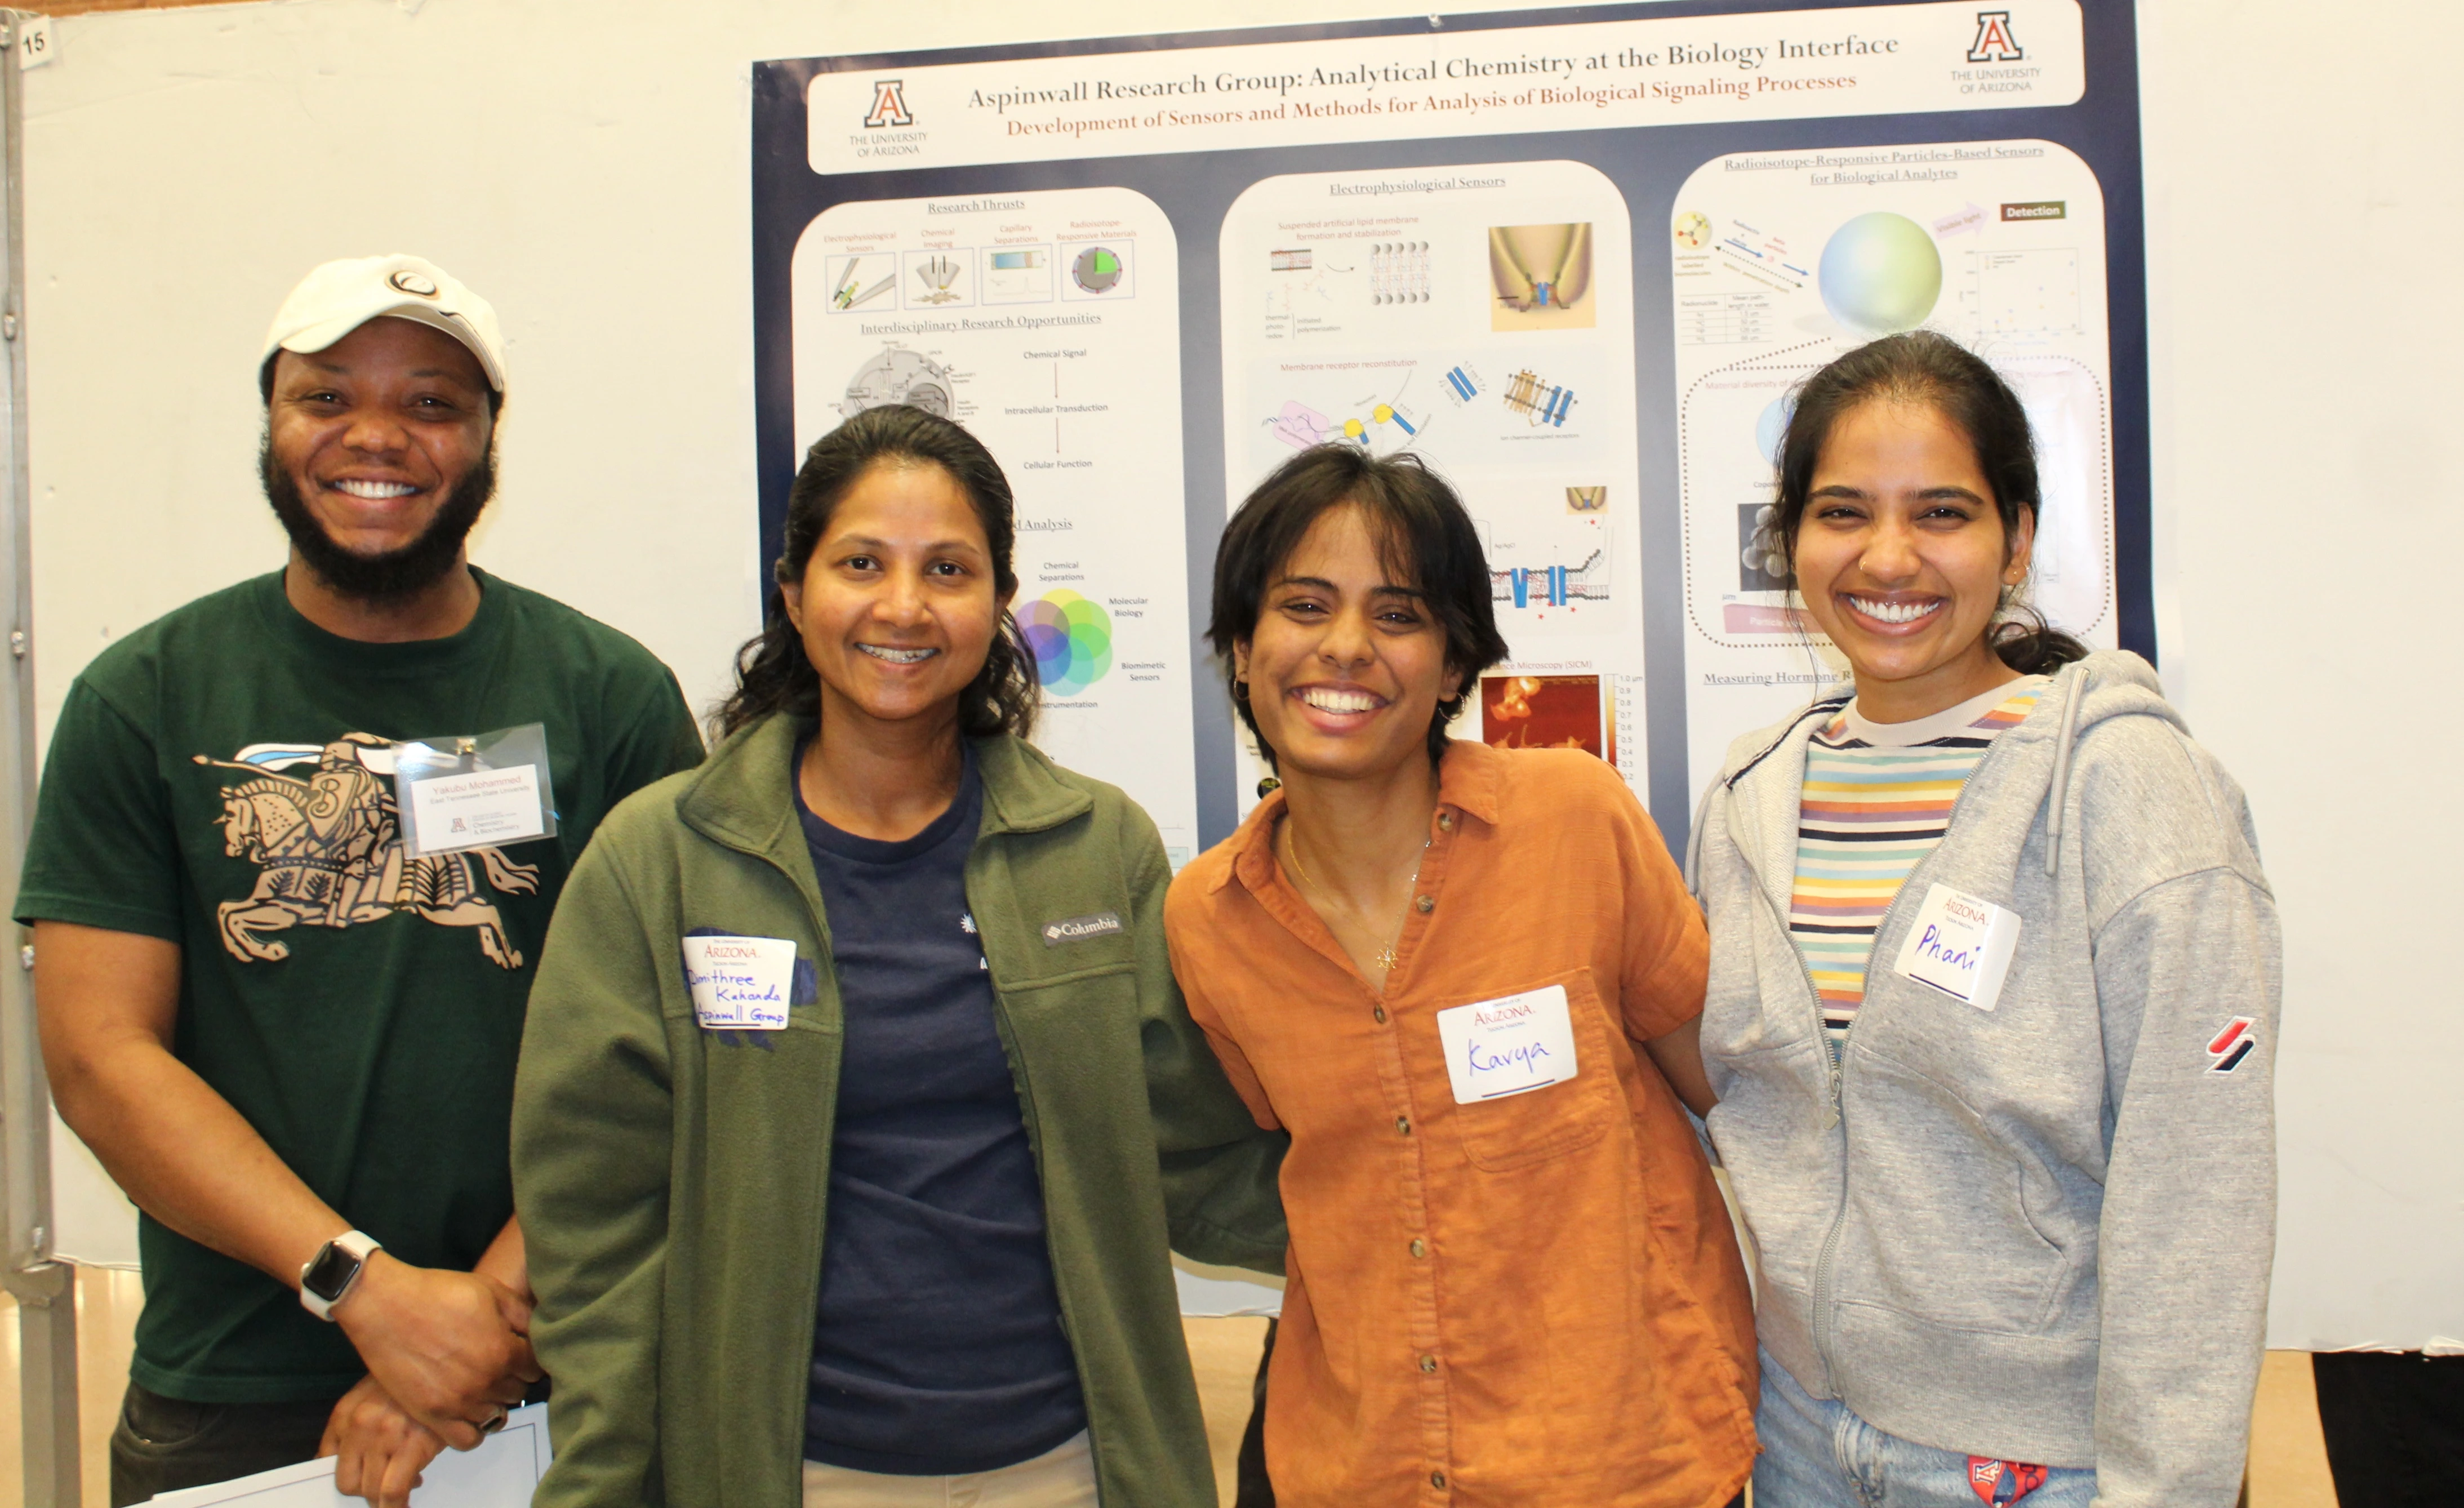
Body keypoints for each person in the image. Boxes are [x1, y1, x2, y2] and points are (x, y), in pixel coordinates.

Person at [20, 253, 706, 1508]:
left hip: (555, 1371)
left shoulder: (607, 695)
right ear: (274, 422)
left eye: (434, 401)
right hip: (232, 1393)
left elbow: (668, 1051)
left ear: (490, 440)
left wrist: (478, 1330)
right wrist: (367, 1293)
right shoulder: (145, 696)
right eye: (327, 397)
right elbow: (100, 1060)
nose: (376, 436)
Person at [510, 404, 1286, 1508]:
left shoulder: (1097, 849)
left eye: (950, 569)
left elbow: (1191, 1151)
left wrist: (1439, 1215)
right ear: (793, 592)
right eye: (862, 562)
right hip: (795, 1472)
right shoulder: (663, 860)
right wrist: (600, 1480)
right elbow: (594, 1232)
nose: (905, 607)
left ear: (1000, 605)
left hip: (1071, 1468)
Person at [1688, 331, 2277, 1507]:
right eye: (1843, 511)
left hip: (2044, 1461)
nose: (1889, 557)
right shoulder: (1749, 798)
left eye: (1942, 514)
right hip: (1797, 1429)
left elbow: (2198, 1188)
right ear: (1790, 539)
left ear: (2015, 540)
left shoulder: (2130, 789)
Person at [1167, 446, 1758, 1507]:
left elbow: (1740, 1098)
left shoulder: (1574, 820)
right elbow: (1301, 1167)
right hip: (1357, 1465)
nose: (1345, 648)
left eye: (1397, 615)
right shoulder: (1209, 920)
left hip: (1623, 1464)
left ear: (1451, 667)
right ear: (1242, 652)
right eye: (1304, 606)